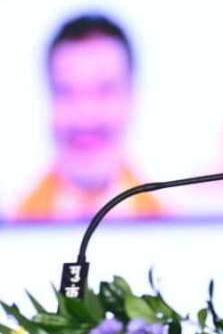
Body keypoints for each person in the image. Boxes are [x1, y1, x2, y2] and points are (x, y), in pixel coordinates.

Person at [15, 14, 160, 222]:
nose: (85, 115)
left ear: (131, 97)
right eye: (66, 92)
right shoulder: (15, 224)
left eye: (104, 91)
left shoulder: (175, 226)